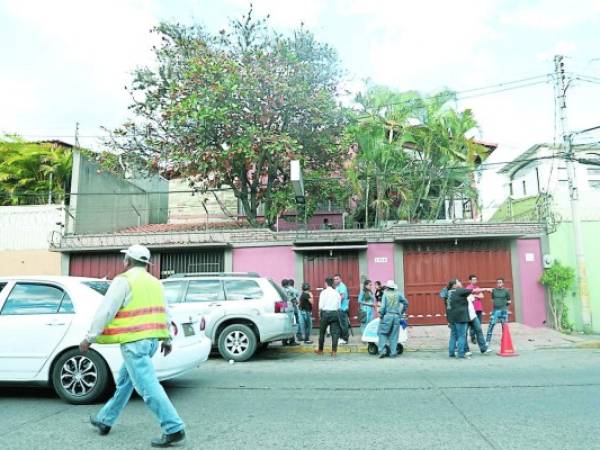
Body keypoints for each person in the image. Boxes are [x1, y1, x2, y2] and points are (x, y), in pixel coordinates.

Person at [80, 245, 185, 448]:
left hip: (134, 343)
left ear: (127, 261)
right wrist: (167, 338)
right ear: (146, 264)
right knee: (125, 382)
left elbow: (106, 311)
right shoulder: (156, 283)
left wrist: (89, 338)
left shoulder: (124, 280)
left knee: (148, 386)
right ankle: (105, 420)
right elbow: (165, 312)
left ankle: (173, 428)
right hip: (152, 341)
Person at [446, 278, 492, 360]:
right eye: (458, 282)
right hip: (462, 317)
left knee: (454, 336)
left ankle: (452, 353)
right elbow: (473, 291)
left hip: (456, 317)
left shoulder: (448, 293)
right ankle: (461, 354)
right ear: (454, 285)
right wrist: (486, 289)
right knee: (462, 336)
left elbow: (447, 304)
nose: (460, 282)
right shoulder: (460, 291)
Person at [376, 280, 409, 358]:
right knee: (394, 335)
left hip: (387, 316)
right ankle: (393, 353)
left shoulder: (385, 294)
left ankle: (382, 351)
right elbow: (406, 303)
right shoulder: (398, 294)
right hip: (396, 317)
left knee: (383, 333)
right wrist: (401, 311)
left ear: (387, 287)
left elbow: (383, 307)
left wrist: (381, 313)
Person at [316, 277, 341, 357]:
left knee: (322, 332)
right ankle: (334, 351)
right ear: (332, 283)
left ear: (326, 283)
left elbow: (320, 305)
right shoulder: (336, 293)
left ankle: (320, 350)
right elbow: (339, 305)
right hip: (335, 313)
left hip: (325, 313)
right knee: (335, 333)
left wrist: (320, 313)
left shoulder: (323, 292)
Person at [486, 277, 512, 345]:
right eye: (497, 282)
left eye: (500, 282)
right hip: (495, 311)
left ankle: (504, 341)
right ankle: (487, 341)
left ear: (503, 283)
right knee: (491, 326)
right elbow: (492, 299)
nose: (498, 284)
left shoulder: (506, 291)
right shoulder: (494, 291)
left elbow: (509, 301)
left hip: (503, 311)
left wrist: (504, 307)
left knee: (504, 327)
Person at [466, 274, 484, 344]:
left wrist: (475, 295)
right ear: (470, 280)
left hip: (479, 308)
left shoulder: (478, 287)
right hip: (472, 309)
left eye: (475, 279)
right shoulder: (468, 288)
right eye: (473, 280)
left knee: (479, 324)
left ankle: (478, 338)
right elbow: (468, 296)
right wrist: (477, 295)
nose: (475, 281)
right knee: (473, 325)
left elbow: (482, 296)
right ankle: (473, 338)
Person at [281, 279, 299, 346]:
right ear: (288, 284)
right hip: (289, 309)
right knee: (291, 325)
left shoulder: (280, 290)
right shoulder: (290, 290)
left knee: (284, 325)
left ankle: (284, 341)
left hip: (282, 308)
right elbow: (293, 299)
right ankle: (292, 341)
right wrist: (296, 303)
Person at [334, 274, 350, 343]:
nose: (335, 280)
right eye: (334, 279)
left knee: (344, 324)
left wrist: (335, 303)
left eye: (337, 279)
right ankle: (341, 338)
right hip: (339, 308)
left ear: (340, 279)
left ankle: (345, 339)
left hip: (342, 308)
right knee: (340, 324)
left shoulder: (342, 286)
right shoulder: (337, 287)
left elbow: (342, 296)